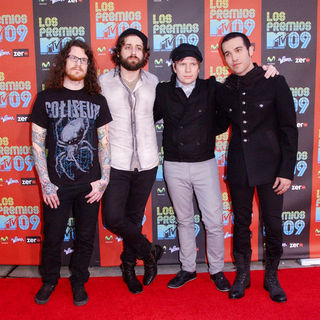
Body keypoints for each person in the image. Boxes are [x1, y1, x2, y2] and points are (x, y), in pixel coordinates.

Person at [217, 32, 298, 302]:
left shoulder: (274, 81)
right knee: (241, 224)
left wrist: (287, 170)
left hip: (272, 169)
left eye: (238, 50)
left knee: (273, 225)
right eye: (227, 53)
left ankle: (272, 276)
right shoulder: (225, 88)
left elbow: (289, 129)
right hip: (240, 168)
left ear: (250, 49)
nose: (233, 58)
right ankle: (242, 275)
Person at [31, 39, 112, 306]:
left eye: (83, 60)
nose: (78, 63)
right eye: (73, 58)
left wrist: (104, 180)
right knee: (53, 236)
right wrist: (45, 183)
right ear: (63, 62)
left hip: (89, 184)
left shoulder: (97, 100)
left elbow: (104, 142)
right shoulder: (46, 98)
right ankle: (50, 280)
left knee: (86, 237)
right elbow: (37, 142)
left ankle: (79, 281)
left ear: (88, 66)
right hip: (56, 185)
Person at [153, 43, 231, 291]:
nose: (188, 70)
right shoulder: (163, 92)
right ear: (174, 67)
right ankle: (188, 269)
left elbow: (227, 114)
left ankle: (217, 270)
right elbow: (147, 117)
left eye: (193, 65)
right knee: (184, 220)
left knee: (214, 222)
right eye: (182, 64)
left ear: (199, 67)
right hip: (174, 165)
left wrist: (266, 70)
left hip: (204, 163)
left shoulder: (211, 88)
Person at [99, 28, 163, 294]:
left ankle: (128, 267)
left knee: (134, 219)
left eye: (138, 47)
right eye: (127, 46)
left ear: (145, 53)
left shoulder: (155, 82)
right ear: (119, 51)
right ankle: (149, 253)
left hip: (147, 162)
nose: (133, 51)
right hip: (116, 163)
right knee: (113, 217)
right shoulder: (102, 82)